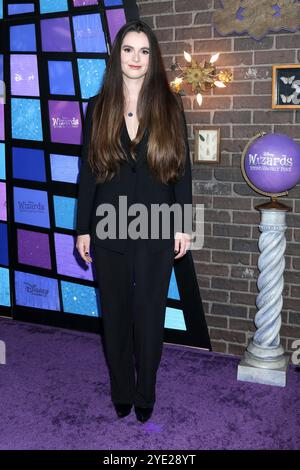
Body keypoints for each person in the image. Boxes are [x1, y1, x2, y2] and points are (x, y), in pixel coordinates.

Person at [75, 19, 193, 423]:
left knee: (148, 314)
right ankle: (122, 389)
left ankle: (146, 393)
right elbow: (88, 171)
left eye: (144, 51)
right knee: (116, 313)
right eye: (129, 49)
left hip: (157, 223)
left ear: (152, 57)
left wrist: (183, 224)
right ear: (117, 54)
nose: (136, 58)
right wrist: (82, 227)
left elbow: (183, 169)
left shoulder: (169, 104)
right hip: (108, 222)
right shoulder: (98, 105)